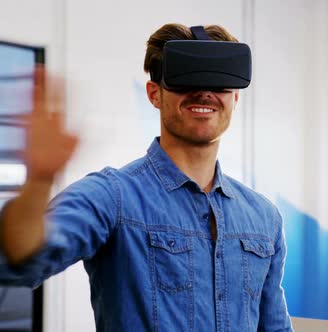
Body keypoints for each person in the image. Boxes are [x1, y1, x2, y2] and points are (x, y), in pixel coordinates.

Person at [0, 23, 292, 331]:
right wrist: (39, 180)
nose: (204, 91)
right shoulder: (113, 197)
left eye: (219, 82)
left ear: (235, 97)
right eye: (185, 79)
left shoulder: (264, 219)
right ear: (154, 94)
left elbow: (275, 327)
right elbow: (20, 260)